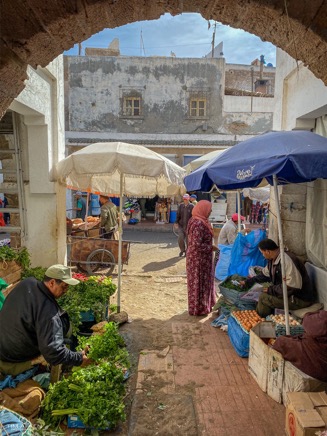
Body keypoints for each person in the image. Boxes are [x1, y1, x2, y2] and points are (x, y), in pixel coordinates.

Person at [0, 265, 92, 376]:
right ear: (52, 282)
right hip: (14, 357)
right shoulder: (48, 311)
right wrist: (78, 358)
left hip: (4, 346)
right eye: (64, 287)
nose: (66, 291)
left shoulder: (28, 283)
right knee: (60, 337)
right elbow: (54, 353)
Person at [240, 239, 315, 317]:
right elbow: (264, 275)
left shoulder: (286, 260)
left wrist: (271, 290)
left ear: (268, 251)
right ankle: (265, 318)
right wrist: (247, 282)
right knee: (263, 294)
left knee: (263, 297)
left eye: (262, 253)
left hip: (299, 299)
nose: (263, 255)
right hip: (289, 294)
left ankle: (260, 320)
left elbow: (292, 285)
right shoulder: (273, 260)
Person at [186, 200, 216, 315]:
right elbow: (196, 245)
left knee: (202, 283)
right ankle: (199, 309)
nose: (211, 211)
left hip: (201, 259)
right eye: (209, 209)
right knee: (198, 283)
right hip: (198, 260)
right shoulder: (198, 223)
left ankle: (203, 306)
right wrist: (211, 247)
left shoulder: (197, 220)